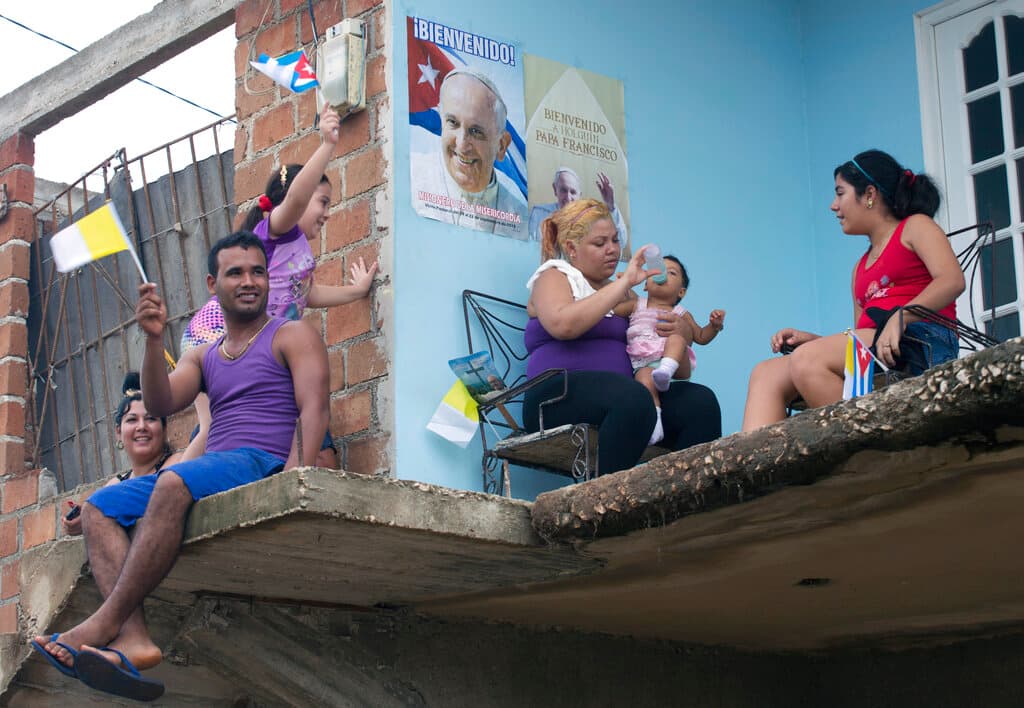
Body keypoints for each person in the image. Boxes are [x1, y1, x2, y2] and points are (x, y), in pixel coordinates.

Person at [31, 232, 329, 701]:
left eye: (257, 271)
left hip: (263, 462)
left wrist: (300, 478)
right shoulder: (205, 355)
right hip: (215, 468)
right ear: (214, 283)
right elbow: (161, 399)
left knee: (172, 480)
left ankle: (104, 621)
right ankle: (134, 637)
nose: (249, 281)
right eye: (236, 273)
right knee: (99, 507)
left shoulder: (292, 335)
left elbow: (314, 408)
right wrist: (153, 340)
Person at [181, 102, 376, 466]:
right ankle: (167, 487)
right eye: (323, 202)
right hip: (214, 332)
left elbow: (307, 295)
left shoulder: (296, 253)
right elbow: (298, 196)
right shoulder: (275, 231)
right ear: (294, 202)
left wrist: (357, 291)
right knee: (212, 427)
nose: (328, 212)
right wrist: (327, 145)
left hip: (249, 343)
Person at [741, 149, 965, 431]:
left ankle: (870, 446)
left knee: (807, 360)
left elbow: (951, 280)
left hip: (921, 340)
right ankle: (757, 474)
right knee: (766, 373)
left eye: (840, 193)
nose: (833, 206)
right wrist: (813, 341)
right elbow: (861, 342)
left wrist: (900, 317)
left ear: (869, 194)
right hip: (881, 349)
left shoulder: (915, 227)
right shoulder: (859, 269)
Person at [523, 198, 721, 476]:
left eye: (615, 241)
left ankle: (683, 504)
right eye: (600, 243)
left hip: (626, 398)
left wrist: (683, 334)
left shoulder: (626, 294)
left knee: (700, 402)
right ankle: (602, 506)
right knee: (634, 399)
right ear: (572, 248)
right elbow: (562, 325)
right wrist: (625, 283)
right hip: (554, 397)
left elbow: (677, 370)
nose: (612, 250)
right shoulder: (555, 277)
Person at [63, 372, 183, 536]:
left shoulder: (178, 463)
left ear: (164, 429)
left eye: (150, 419)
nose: (141, 427)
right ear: (118, 432)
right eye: (132, 420)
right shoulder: (117, 483)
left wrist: (98, 508)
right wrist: (82, 517)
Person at [410, 70, 528, 237]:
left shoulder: (519, 215)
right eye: (452, 123)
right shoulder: (411, 177)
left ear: (501, 146)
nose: (462, 144)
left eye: (475, 131)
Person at [625, 255, 725, 444]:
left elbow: (701, 337)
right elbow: (612, 308)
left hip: (672, 363)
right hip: (645, 363)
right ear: (645, 284)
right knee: (644, 381)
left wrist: (714, 326)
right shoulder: (636, 305)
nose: (663, 274)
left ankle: (665, 371)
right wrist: (623, 285)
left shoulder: (680, 313)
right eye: (657, 270)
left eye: (671, 273)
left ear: (681, 292)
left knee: (677, 339)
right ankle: (655, 423)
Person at [528, 167, 629, 252]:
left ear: (579, 196)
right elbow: (532, 250)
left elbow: (620, 243)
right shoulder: (540, 214)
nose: (568, 197)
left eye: (573, 192)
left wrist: (611, 206)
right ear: (555, 189)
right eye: (563, 190)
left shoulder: (589, 222)